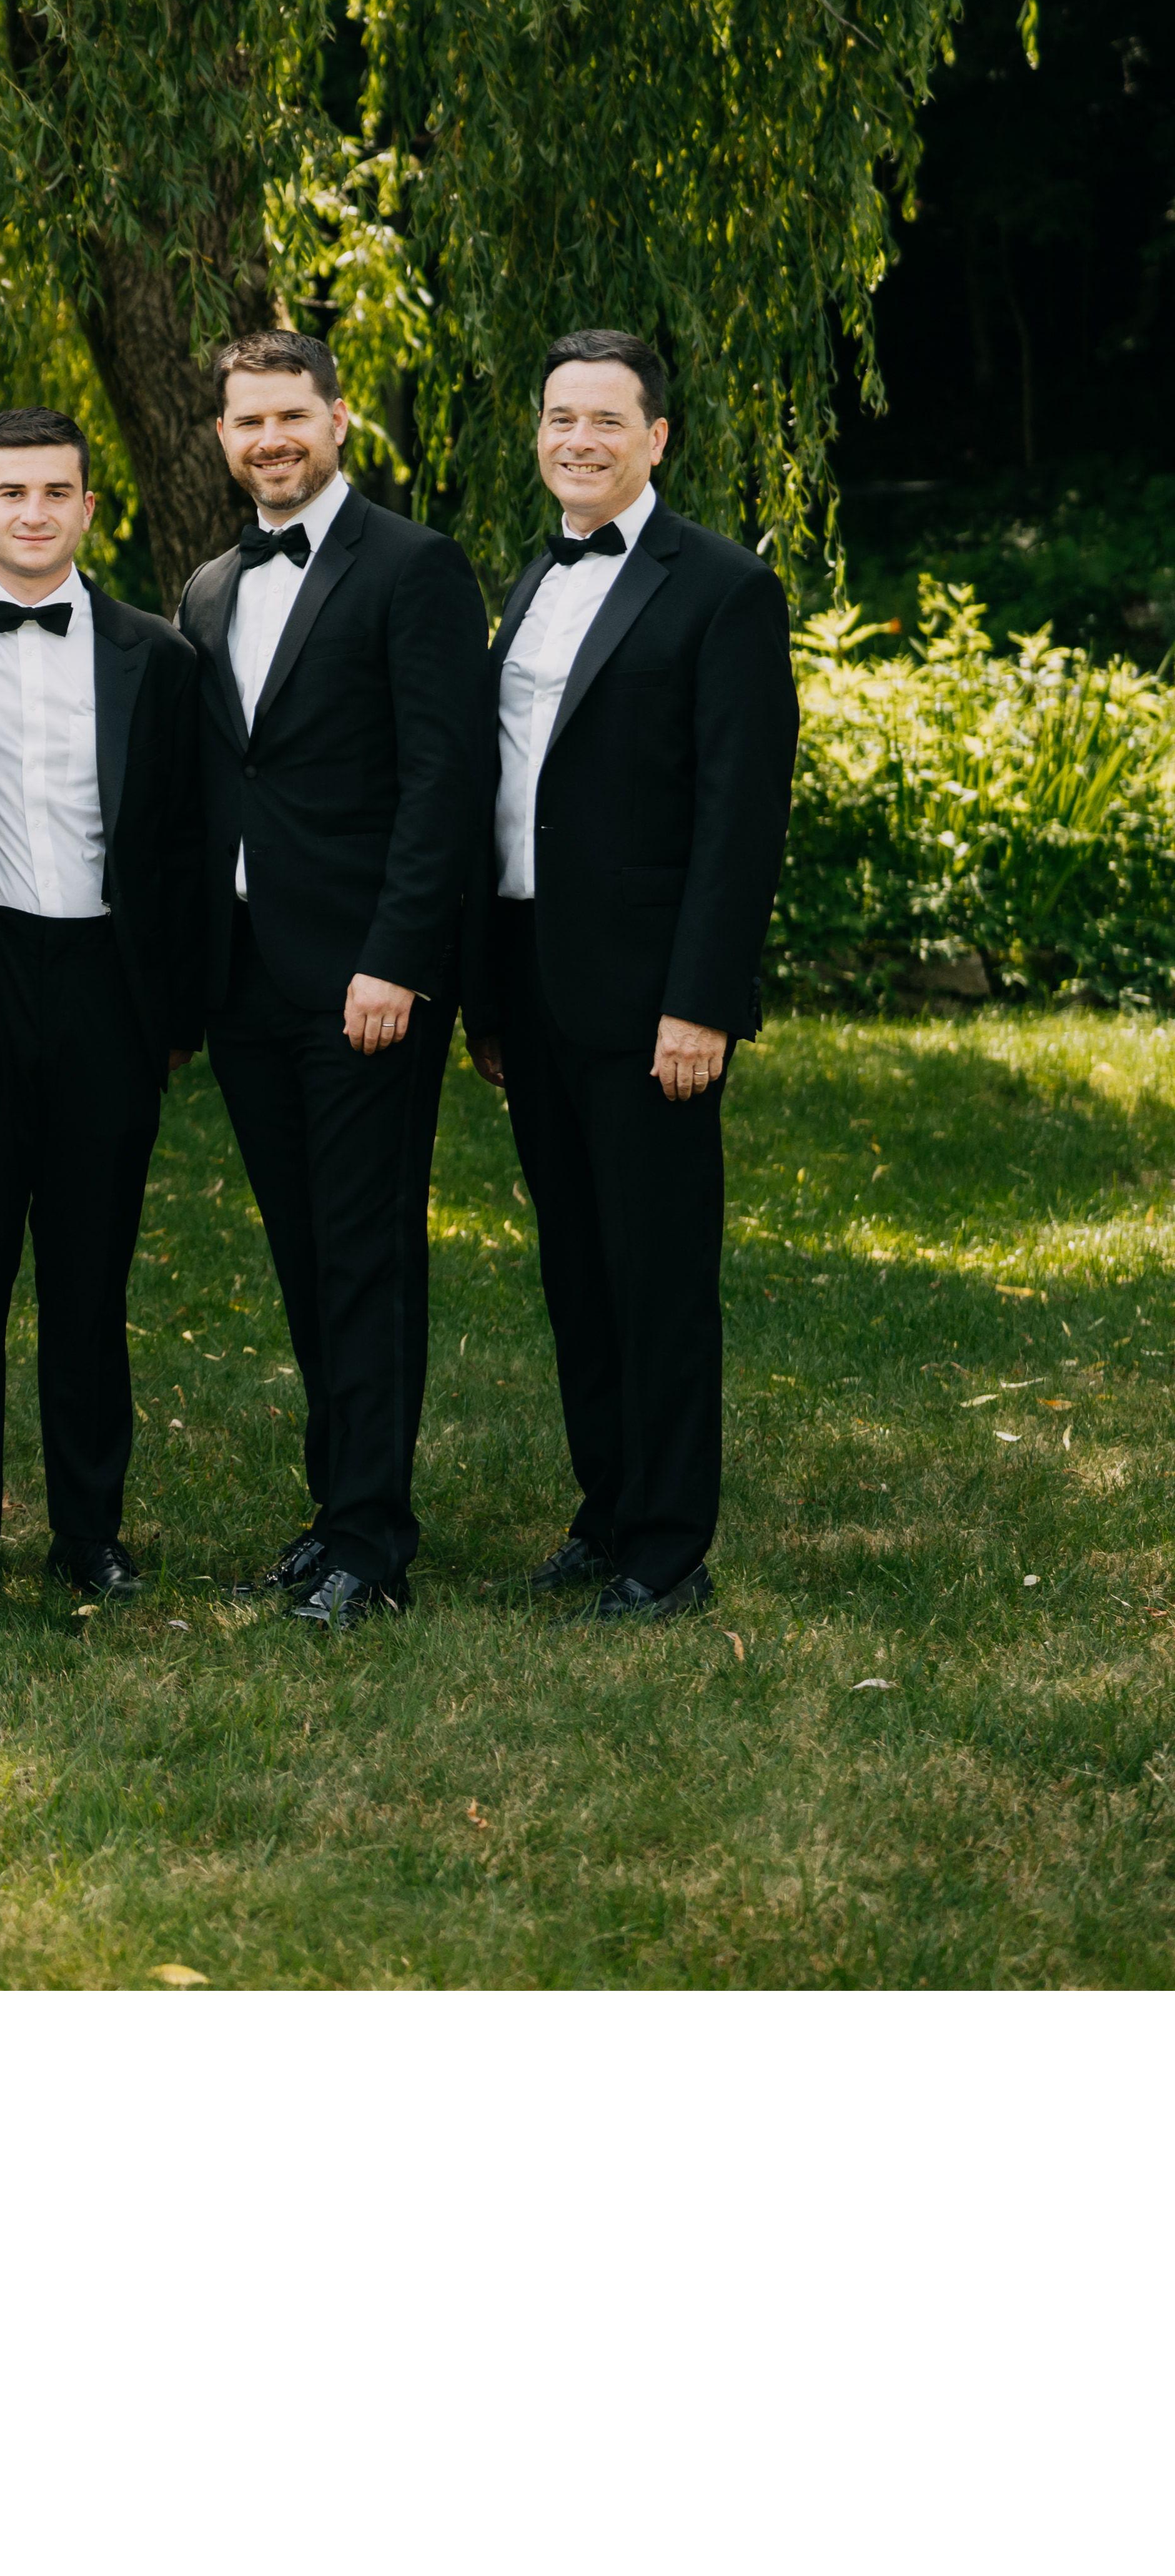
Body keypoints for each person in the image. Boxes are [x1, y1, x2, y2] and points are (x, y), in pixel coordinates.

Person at [465, 330, 797, 1624]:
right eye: (561, 418)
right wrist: (489, 998)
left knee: (656, 1275)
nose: (580, 440)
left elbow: (740, 815)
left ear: (657, 439)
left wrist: (701, 1001)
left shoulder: (722, 589)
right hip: (534, 981)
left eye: (608, 420)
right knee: (577, 1269)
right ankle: (605, 1513)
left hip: (654, 996)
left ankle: (669, 1547)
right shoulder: (530, 576)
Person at [177, 328, 487, 1626]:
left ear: (340, 420)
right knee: (306, 1254)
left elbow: (445, 781)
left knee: (366, 1253)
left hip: (367, 980)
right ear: (222, 437)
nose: (272, 440)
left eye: (292, 416)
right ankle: (335, 1512)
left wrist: (398, 961)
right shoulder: (207, 588)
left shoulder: (414, 568)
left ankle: (374, 1541)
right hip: (246, 980)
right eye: (249, 421)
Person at [0, 409, 207, 1602]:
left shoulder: (158, 656)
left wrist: (173, 1016)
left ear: (88, 509)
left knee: (89, 1273)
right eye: (10, 492)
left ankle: (90, 1530)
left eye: (56, 492)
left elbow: (184, 842)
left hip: (107, 985)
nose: (33, 512)